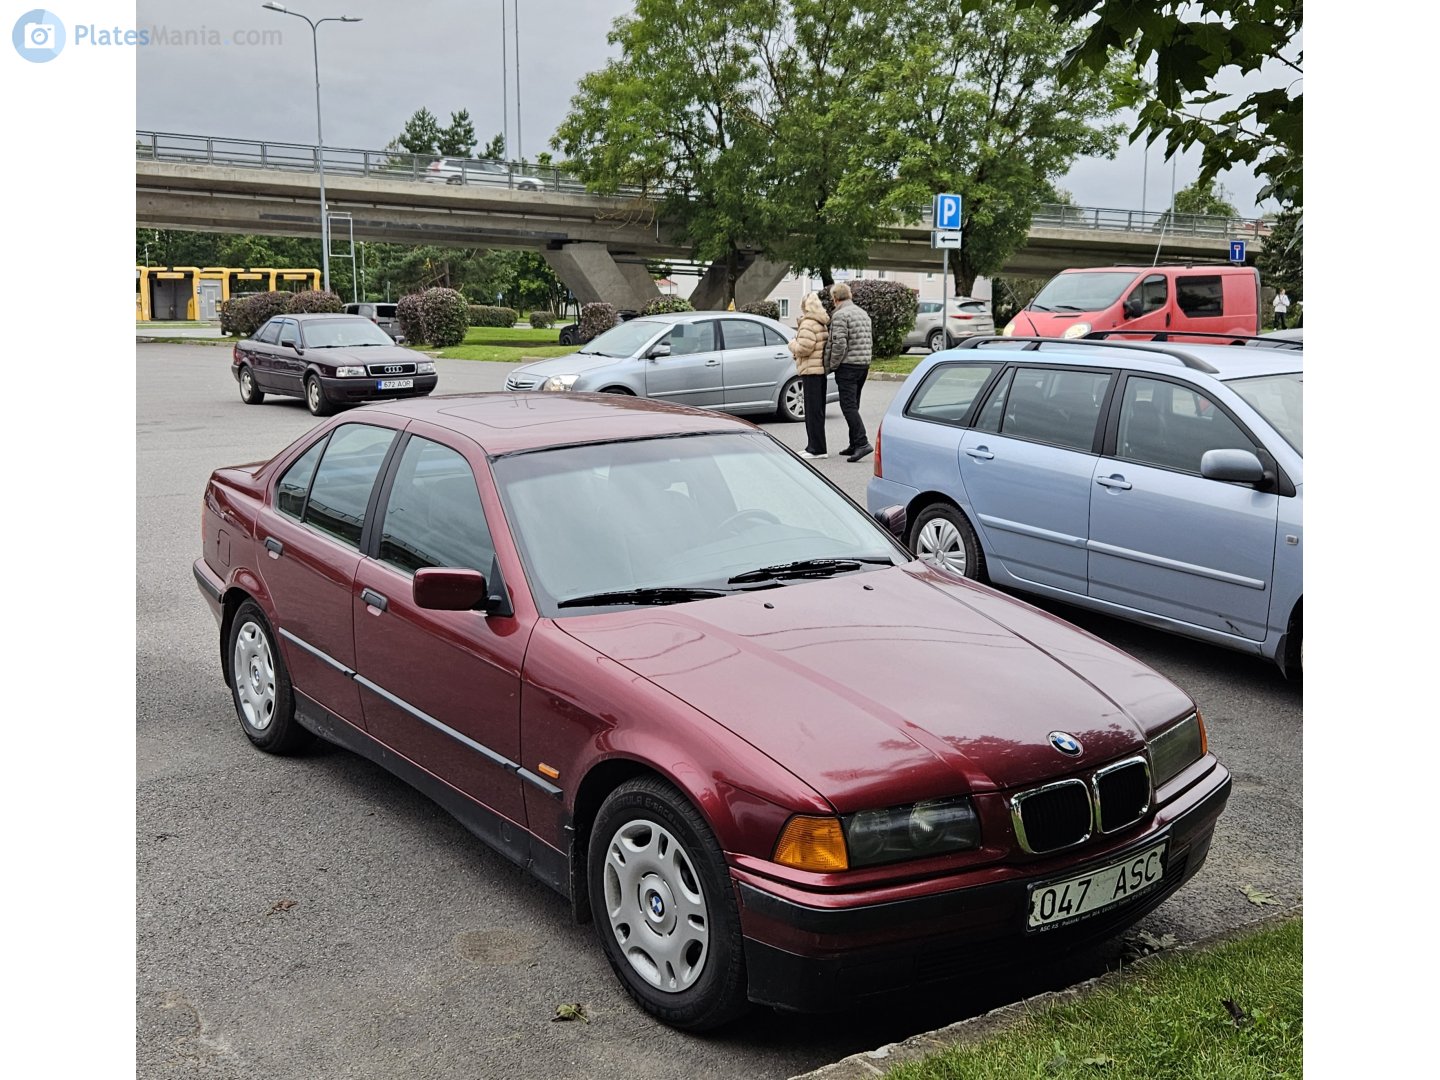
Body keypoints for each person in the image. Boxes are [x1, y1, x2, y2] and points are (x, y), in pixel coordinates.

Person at [826, 282, 874, 462]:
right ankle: (854, 443)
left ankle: (862, 443)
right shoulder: (863, 313)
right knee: (854, 404)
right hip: (863, 364)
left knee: (848, 406)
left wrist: (832, 365)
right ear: (850, 295)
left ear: (835, 298)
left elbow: (839, 344)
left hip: (848, 366)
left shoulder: (840, 315)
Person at [788, 292, 831, 458]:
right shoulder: (821, 322)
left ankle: (816, 448)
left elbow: (804, 348)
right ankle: (816, 446)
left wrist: (792, 344)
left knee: (812, 411)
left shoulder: (807, 324)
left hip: (810, 371)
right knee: (818, 411)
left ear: (804, 307)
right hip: (820, 371)